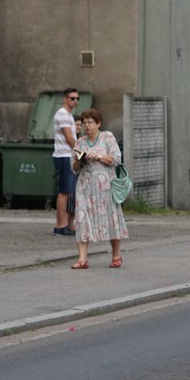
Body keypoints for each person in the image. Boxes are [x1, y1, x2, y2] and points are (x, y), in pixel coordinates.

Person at [70, 109, 128, 268]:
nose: (86, 126)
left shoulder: (107, 137)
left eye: (90, 123)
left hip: (105, 186)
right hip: (85, 185)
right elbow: (74, 168)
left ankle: (116, 255)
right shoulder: (80, 141)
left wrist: (98, 156)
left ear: (98, 124)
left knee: (111, 217)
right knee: (82, 218)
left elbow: (116, 158)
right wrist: (78, 159)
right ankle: (82, 259)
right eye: (84, 123)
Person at [53, 88, 79, 236]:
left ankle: (64, 224)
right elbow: (69, 138)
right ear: (65, 99)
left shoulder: (68, 115)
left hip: (67, 156)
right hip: (63, 156)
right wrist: (81, 153)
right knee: (64, 192)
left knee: (67, 191)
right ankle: (60, 225)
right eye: (72, 98)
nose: (75, 101)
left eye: (77, 99)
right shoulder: (62, 115)